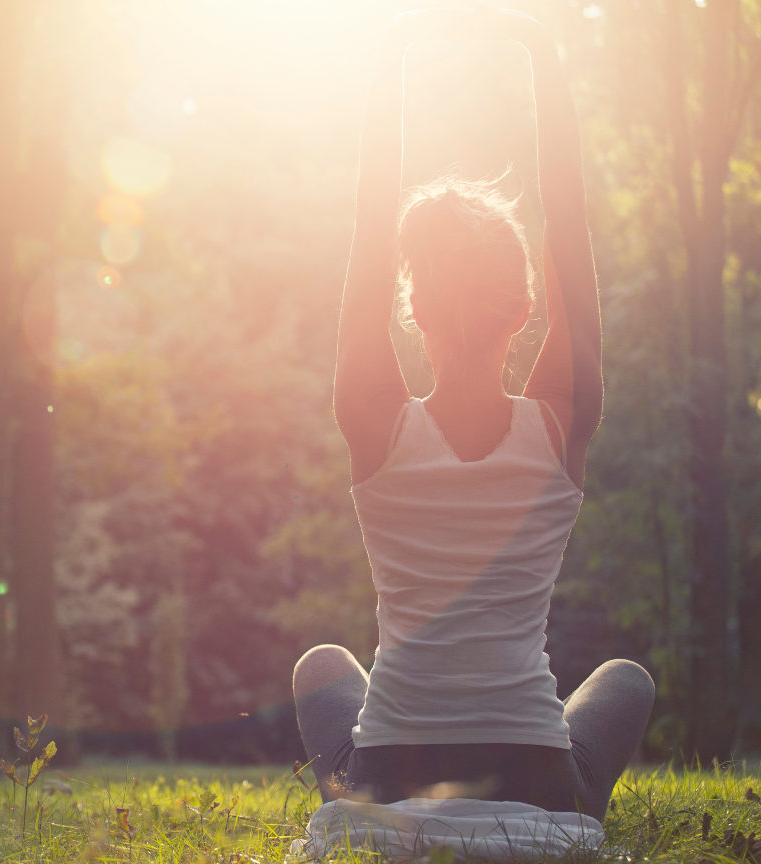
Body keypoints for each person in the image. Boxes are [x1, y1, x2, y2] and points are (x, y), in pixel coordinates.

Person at [292, 8, 654, 822]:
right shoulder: (562, 422)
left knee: (322, 665)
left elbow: (366, 227)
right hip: (535, 778)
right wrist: (543, 59)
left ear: (410, 303)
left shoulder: (374, 423)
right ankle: (555, 815)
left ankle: (384, 815)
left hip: (390, 775)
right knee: (627, 681)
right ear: (525, 306)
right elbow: (572, 225)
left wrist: (393, 61)